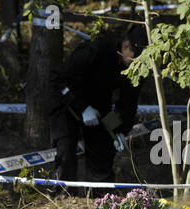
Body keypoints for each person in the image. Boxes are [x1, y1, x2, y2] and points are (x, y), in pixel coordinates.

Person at [47, 25, 147, 196]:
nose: (135, 65)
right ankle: (63, 197)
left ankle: (101, 198)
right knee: (66, 151)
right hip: (67, 100)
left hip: (100, 105)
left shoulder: (137, 69)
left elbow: (128, 102)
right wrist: (82, 107)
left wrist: (120, 130)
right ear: (125, 46)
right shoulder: (95, 50)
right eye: (134, 59)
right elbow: (57, 80)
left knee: (103, 149)